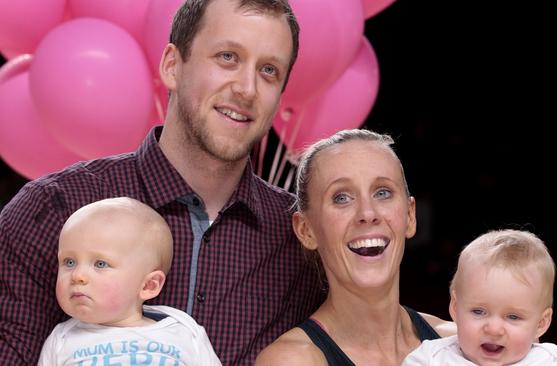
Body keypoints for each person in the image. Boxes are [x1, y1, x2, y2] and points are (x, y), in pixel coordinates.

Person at [0, 0, 324, 364]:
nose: (247, 89)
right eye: (227, 57)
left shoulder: (301, 241)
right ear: (172, 65)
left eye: (268, 70)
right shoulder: (51, 208)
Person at [255, 129, 456, 366]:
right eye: (341, 198)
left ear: (410, 216)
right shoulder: (292, 360)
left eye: (383, 192)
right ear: (306, 230)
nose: (367, 214)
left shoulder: (458, 343)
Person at [37, 197, 221, 365]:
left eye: (100, 264)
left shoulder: (184, 333)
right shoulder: (62, 340)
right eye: (69, 262)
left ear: (149, 285)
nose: (78, 276)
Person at [402, 229, 557, 365]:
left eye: (513, 316)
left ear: (541, 324)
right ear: (455, 308)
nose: (493, 329)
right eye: (478, 311)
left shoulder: (551, 361)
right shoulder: (430, 359)